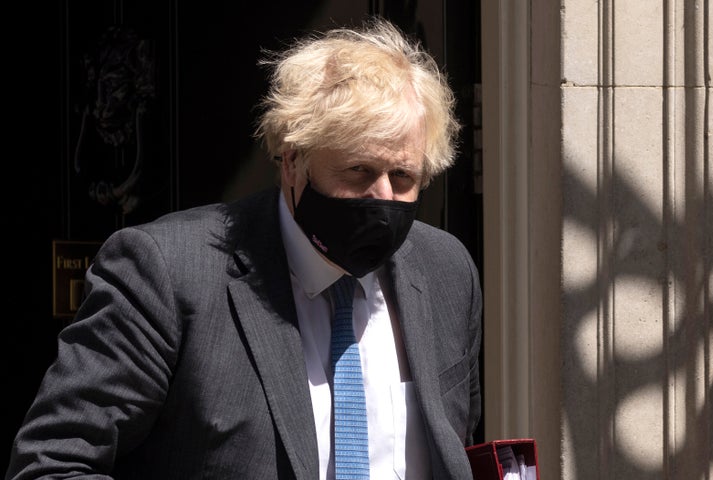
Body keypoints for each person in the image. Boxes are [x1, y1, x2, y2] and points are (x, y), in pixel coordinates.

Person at [5, 17, 482, 479]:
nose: (382, 197)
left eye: (402, 178)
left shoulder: (446, 272)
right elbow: (52, 463)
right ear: (292, 162)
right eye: (358, 171)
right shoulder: (166, 273)